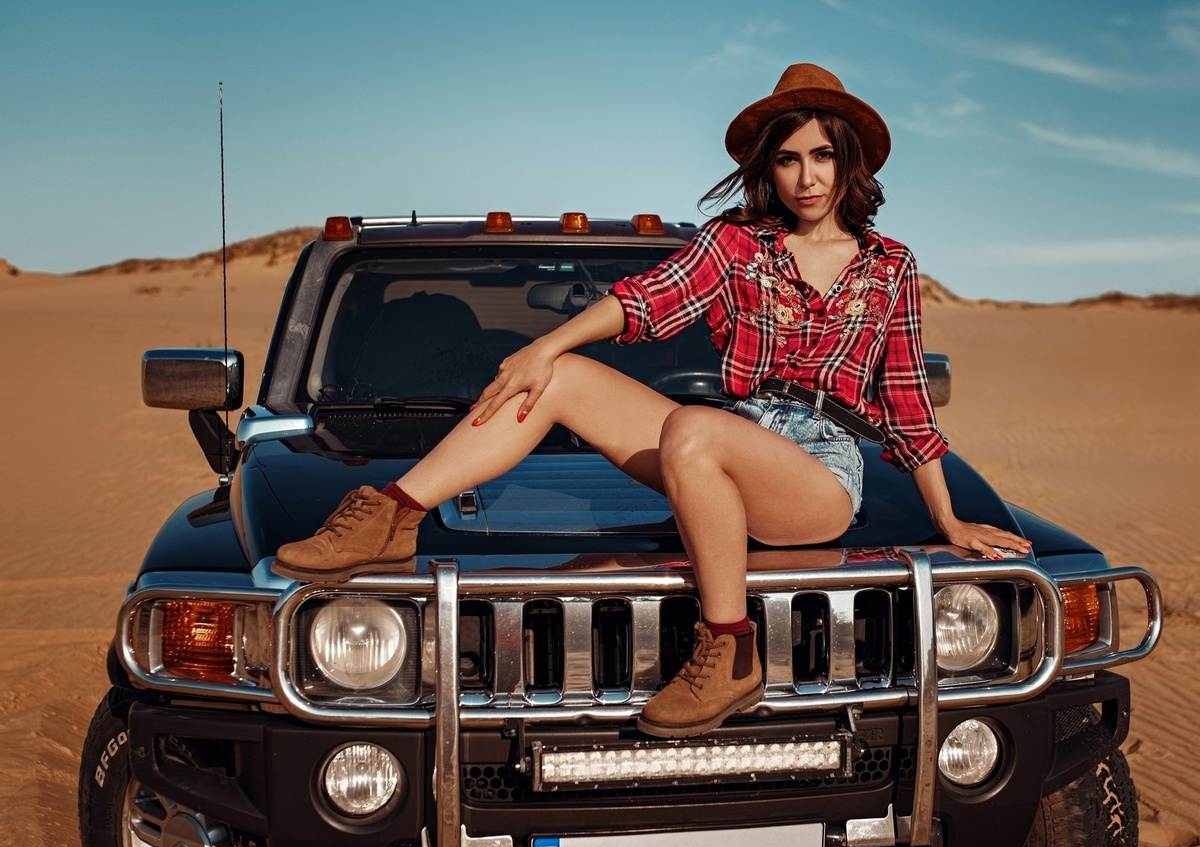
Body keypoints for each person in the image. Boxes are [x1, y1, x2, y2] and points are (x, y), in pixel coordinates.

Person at [273, 63, 1032, 738]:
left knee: (698, 431)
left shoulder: (889, 266)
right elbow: (647, 300)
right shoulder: (737, 243)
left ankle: (730, 648)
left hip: (818, 471)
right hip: (726, 441)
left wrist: (948, 518)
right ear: (769, 168)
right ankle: (393, 514)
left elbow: (905, 401)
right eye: (790, 158)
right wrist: (546, 345)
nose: (807, 177)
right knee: (561, 377)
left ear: (848, 162)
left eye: (823, 156)